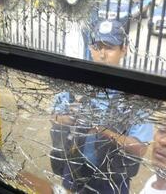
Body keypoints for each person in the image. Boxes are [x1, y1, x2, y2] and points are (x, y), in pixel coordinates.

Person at [50, 20, 153, 194]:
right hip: (74, 170)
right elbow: (54, 116)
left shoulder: (134, 96)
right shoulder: (76, 85)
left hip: (112, 179)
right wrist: (68, 118)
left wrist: (105, 131)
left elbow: (140, 148)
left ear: (124, 49)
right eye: (97, 47)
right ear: (90, 49)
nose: (102, 54)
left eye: (109, 47)